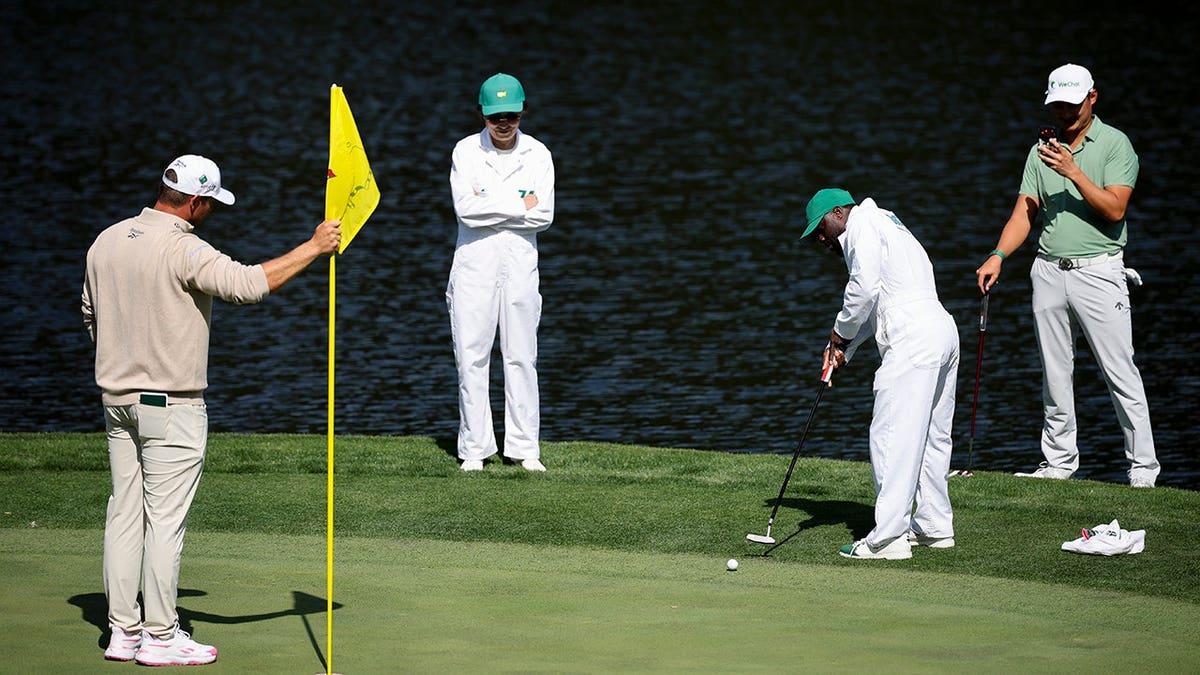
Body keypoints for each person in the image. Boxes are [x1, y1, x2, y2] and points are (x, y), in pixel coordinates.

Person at [81, 154, 342, 665]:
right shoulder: (182, 246)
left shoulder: (107, 239)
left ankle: (122, 631)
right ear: (196, 202)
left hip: (115, 403)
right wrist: (314, 246)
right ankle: (159, 635)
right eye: (211, 205)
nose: (212, 213)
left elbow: (90, 312)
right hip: (170, 407)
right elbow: (247, 285)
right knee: (164, 522)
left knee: (124, 516)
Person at [976, 63, 1159, 488]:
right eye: (1057, 104)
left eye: (1072, 104)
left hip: (1099, 272)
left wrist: (1073, 171)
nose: (1065, 113)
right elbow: (1025, 211)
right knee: (1054, 372)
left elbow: (1115, 209)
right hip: (1047, 272)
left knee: (1120, 372)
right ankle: (1059, 461)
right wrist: (999, 254)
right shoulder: (1041, 151)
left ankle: (1143, 470)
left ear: (1092, 97)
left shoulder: (1116, 145)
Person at [802, 188, 959, 560]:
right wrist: (846, 350)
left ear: (838, 212)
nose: (820, 239)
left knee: (891, 437)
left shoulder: (862, 227)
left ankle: (888, 538)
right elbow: (880, 301)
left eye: (820, 228)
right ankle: (934, 526)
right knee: (932, 437)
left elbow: (863, 289)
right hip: (940, 330)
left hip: (912, 339)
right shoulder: (886, 222)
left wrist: (839, 332)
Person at [447, 73, 555, 472]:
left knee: (521, 356)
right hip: (475, 265)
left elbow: (543, 215)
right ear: (482, 114)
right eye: (496, 117)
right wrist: (518, 204)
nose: (504, 123)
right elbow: (466, 210)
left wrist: (490, 201)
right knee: (472, 355)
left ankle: (524, 448)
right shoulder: (465, 152)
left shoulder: (539, 154)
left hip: (521, 267)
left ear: (523, 112)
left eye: (511, 114)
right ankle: (475, 449)